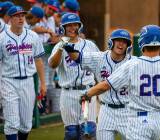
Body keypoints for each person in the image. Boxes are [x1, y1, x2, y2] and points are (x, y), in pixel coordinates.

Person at [80, 25, 160, 140]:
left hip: (138, 122)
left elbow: (106, 85)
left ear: (141, 42)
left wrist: (88, 93)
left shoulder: (132, 65)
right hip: (158, 122)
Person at [65, 29, 134, 139]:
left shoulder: (133, 62)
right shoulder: (99, 58)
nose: (121, 44)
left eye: (124, 42)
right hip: (106, 111)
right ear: (111, 42)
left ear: (128, 46)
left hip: (127, 111)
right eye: (118, 40)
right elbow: (78, 58)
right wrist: (67, 47)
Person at [48, 12, 99, 140]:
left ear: (79, 26)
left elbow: (99, 65)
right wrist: (61, 47)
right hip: (68, 93)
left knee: (89, 131)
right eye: (68, 25)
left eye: (74, 25)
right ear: (63, 28)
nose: (72, 28)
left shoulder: (90, 45)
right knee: (71, 134)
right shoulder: (59, 47)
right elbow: (53, 64)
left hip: (87, 91)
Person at [0, 6, 46, 140]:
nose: (20, 18)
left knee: (26, 124)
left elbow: (38, 61)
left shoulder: (32, 36)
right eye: (16, 15)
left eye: (22, 15)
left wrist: (43, 83)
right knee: (12, 123)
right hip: (8, 81)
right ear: (9, 19)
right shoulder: (2, 38)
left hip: (28, 82)